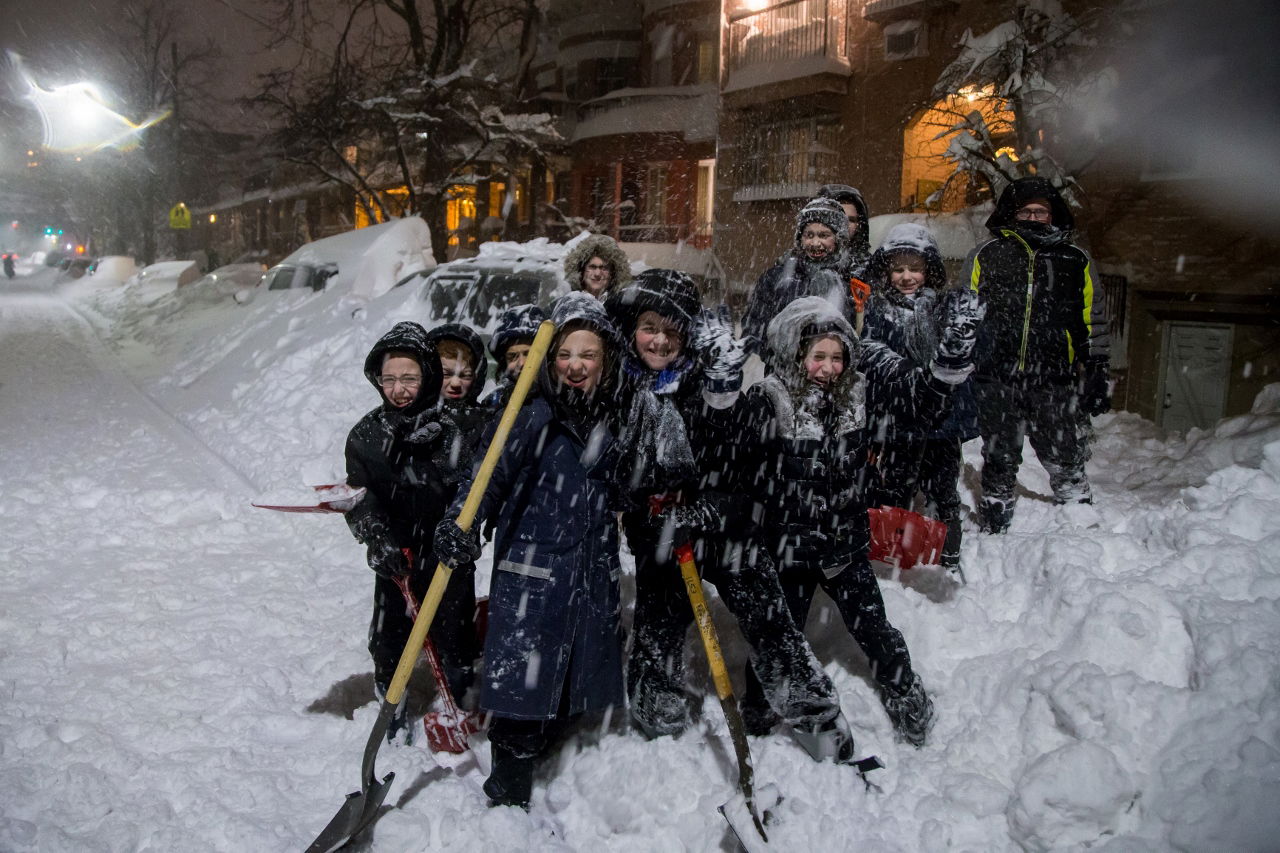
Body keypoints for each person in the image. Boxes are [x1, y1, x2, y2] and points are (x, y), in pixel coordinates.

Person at [607, 269, 860, 763]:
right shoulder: (621, 392)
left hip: (728, 532)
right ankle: (660, 725)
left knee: (771, 623)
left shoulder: (713, 382)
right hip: (663, 537)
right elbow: (615, 473)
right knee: (659, 625)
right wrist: (650, 506)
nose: (659, 341)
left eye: (672, 331)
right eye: (649, 327)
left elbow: (751, 463)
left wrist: (721, 409)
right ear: (631, 330)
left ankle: (815, 715)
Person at [730, 291, 982, 746]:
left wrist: (946, 370)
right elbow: (740, 470)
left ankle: (903, 691)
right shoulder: (769, 401)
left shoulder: (858, 395)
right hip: (788, 550)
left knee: (875, 627)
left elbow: (916, 406)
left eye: (837, 357)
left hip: (844, 545)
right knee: (779, 637)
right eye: (817, 357)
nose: (829, 368)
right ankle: (760, 709)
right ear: (792, 354)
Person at [432, 292, 626, 810]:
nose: (576, 365)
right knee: (522, 680)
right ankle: (508, 790)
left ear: (605, 360)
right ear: (549, 358)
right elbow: (486, 476)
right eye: (565, 353)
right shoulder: (529, 411)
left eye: (588, 354)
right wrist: (460, 521)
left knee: (567, 674)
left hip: (588, 565)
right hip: (534, 568)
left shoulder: (613, 417)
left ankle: (547, 741)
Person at [342, 322, 480, 742]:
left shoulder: (455, 428)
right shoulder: (367, 436)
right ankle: (392, 711)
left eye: (409, 378)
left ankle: (461, 705)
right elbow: (358, 496)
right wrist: (376, 536)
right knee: (389, 641)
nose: (399, 389)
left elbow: (473, 489)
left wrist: (460, 530)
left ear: (427, 376)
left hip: (447, 555)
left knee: (454, 637)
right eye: (389, 379)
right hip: (396, 556)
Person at [964, 177, 1111, 533]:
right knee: (999, 450)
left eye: (1040, 211)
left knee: (1062, 447)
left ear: (1052, 214)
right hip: (996, 374)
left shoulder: (1074, 259)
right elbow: (965, 312)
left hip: (1053, 376)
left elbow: (1091, 317)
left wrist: (1096, 366)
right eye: (1025, 211)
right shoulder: (987, 254)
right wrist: (962, 361)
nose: (1032, 217)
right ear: (1012, 213)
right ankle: (996, 508)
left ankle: (1076, 506)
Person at [861, 223, 979, 576]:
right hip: (898, 415)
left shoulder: (942, 307)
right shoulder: (878, 307)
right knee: (896, 485)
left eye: (915, 268)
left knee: (943, 486)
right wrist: (902, 370)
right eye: (898, 269)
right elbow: (869, 348)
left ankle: (947, 554)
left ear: (929, 270)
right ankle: (894, 556)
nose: (906, 276)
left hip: (940, 417)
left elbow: (959, 353)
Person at [741, 197, 855, 354]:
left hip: (832, 366)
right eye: (809, 235)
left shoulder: (850, 280)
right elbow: (754, 329)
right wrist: (781, 356)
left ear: (838, 239)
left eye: (823, 235)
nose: (815, 243)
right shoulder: (776, 278)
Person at [424, 323, 491, 460]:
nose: (455, 383)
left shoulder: (486, 421)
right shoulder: (414, 417)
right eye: (446, 374)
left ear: (476, 377)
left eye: (465, 375)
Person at [479, 304, 546, 410]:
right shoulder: (493, 405)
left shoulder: (561, 401)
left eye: (529, 354)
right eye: (512, 356)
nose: (522, 363)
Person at [816, 183, 872, 279]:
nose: (845, 224)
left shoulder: (869, 267)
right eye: (839, 217)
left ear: (859, 226)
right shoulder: (798, 263)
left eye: (851, 220)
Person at [563, 233, 631, 300]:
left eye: (604, 268)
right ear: (581, 270)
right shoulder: (570, 300)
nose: (597, 274)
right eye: (592, 267)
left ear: (613, 273)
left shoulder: (621, 301)